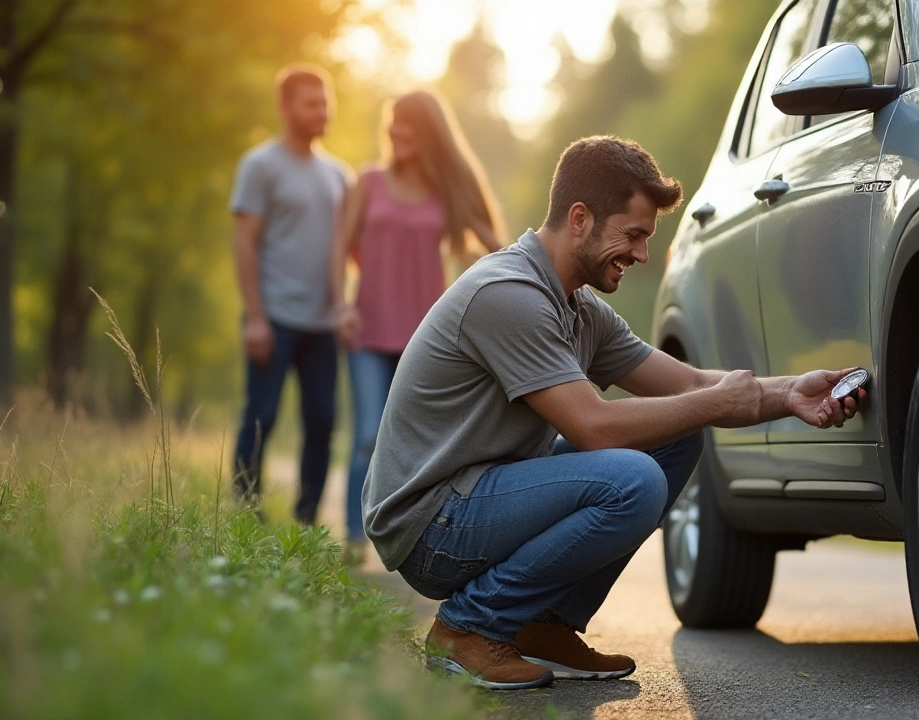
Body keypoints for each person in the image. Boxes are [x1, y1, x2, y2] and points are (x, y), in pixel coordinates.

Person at [362, 136, 866, 690]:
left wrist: (792, 392)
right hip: (432, 524)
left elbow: (694, 384)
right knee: (632, 480)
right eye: (633, 235)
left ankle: (538, 623)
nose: (643, 254)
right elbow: (592, 426)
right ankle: (468, 629)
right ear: (580, 218)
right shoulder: (507, 293)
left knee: (677, 437)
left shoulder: (578, 308)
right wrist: (715, 402)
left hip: (478, 496)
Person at [330, 90, 503, 563]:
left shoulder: (448, 193)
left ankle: (408, 535)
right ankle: (352, 535)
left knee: (415, 442)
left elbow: (496, 247)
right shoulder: (367, 182)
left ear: (428, 135)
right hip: (367, 330)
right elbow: (338, 247)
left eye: (408, 125)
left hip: (427, 341)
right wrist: (341, 306)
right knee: (368, 432)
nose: (397, 133)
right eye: (393, 123)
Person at [229, 64, 352, 524]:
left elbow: (351, 250)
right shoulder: (260, 166)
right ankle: (245, 514)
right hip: (274, 317)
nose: (322, 111)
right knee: (260, 418)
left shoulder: (340, 175)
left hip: (323, 325)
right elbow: (244, 242)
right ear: (286, 108)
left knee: (322, 424)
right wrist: (255, 317)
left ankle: (306, 522)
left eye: (326, 102)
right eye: (311, 103)